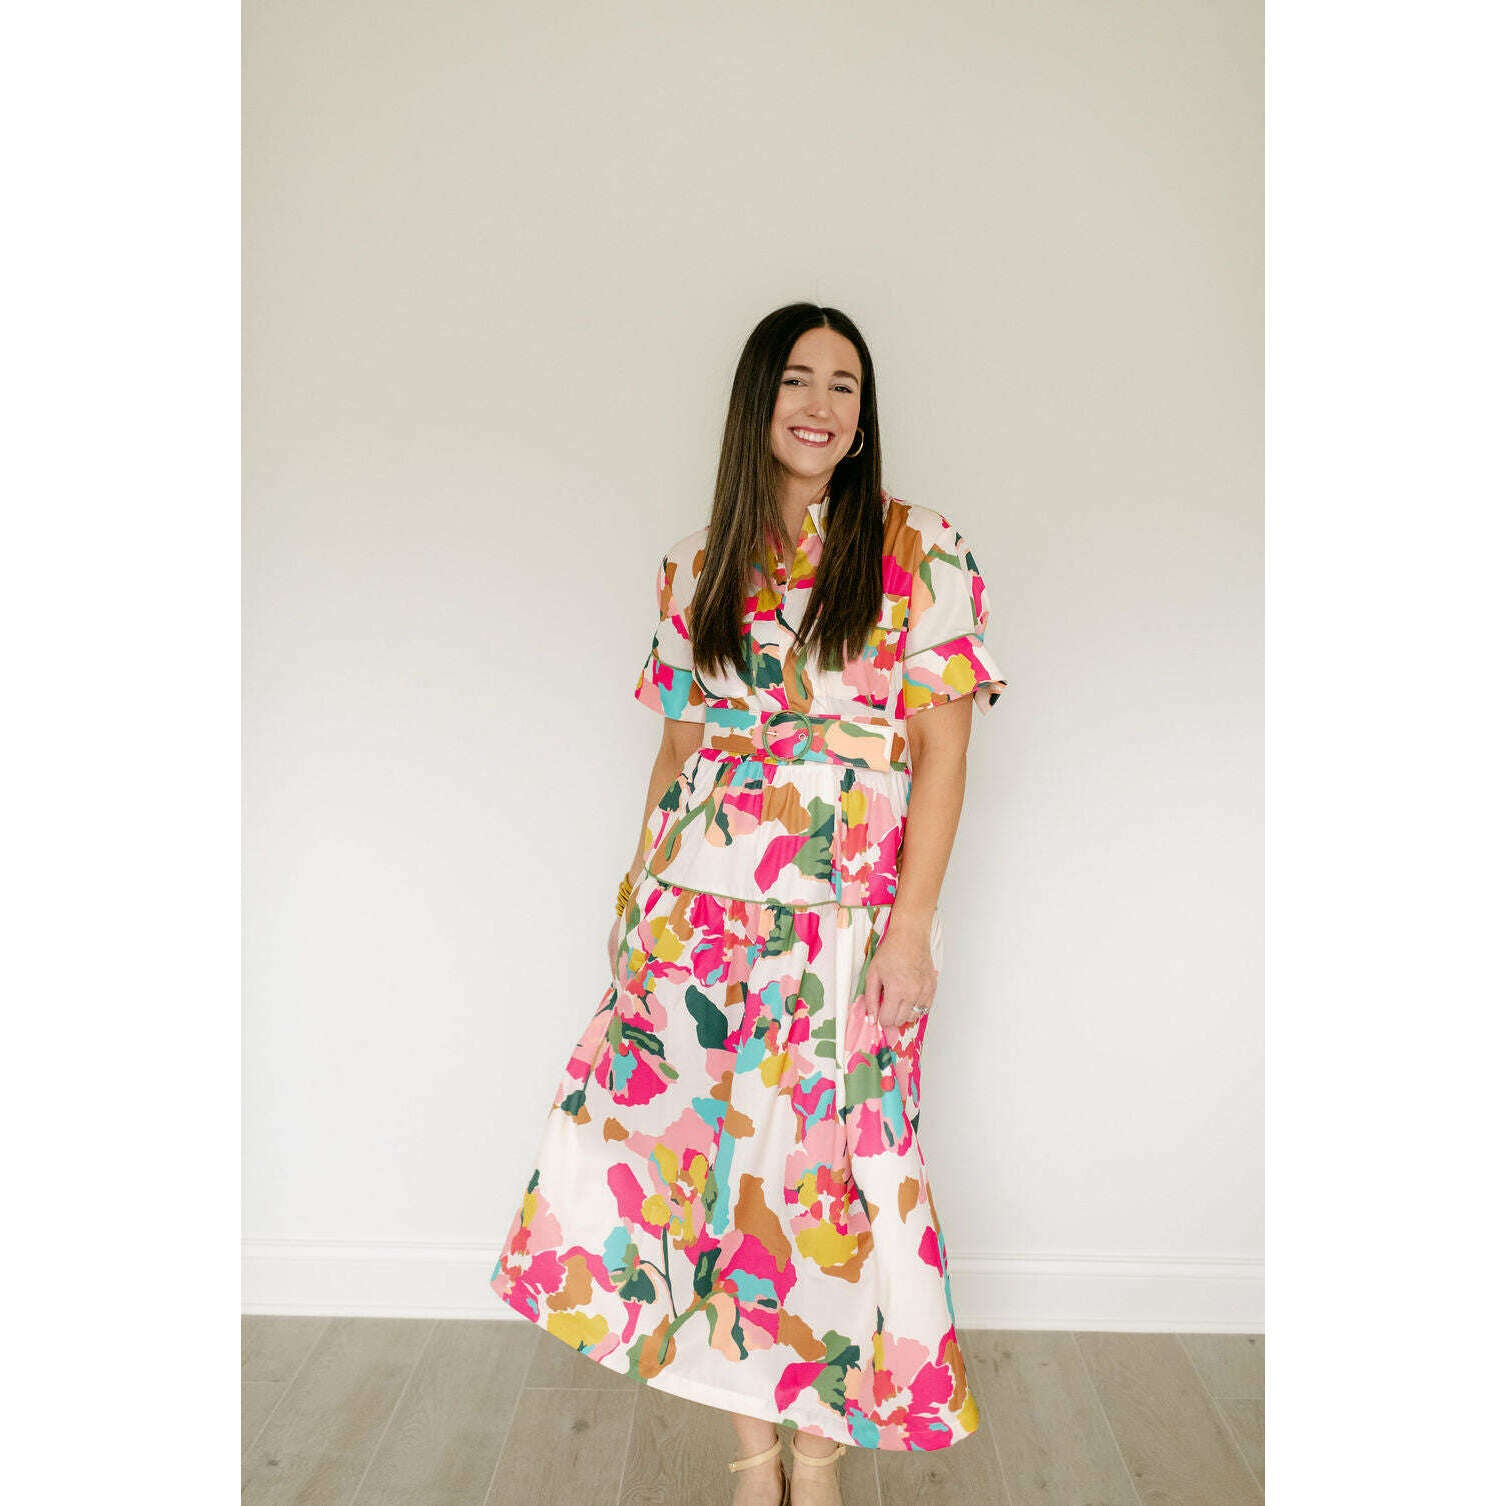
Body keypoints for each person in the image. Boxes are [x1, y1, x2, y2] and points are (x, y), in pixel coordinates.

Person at [491, 302, 1007, 1506]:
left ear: (863, 416)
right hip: (695, 915)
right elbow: (678, 751)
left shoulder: (919, 549)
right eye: (797, 381)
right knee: (706, 1180)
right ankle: (751, 1460)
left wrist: (912, 930)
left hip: (846, 921)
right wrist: (634, 899)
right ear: (757, 402)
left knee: (829, 1179)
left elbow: (944, 755)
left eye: (844, 385)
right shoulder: (696, 564)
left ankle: (817, 1461)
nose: (821, 405)